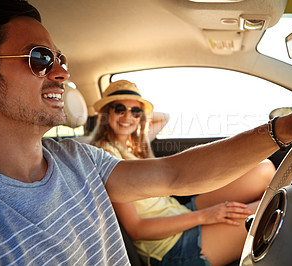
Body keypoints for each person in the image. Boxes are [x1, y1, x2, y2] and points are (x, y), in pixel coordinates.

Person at [0, 0, 292, 265]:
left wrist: (287, 127)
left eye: (60, 58)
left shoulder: (77, 157)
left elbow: (172, 175)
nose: (61, 72)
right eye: (40, 58)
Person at [90, 80, 275, 265]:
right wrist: (205, 216)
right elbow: (136, 229)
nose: (127, 117)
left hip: (180, 213)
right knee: (274, 209)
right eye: (119, 109)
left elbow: (164, 118)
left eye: (135, 111)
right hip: (171, 246)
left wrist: (138, 114)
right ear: (106, 112)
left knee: (265, 169)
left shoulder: (133, 145)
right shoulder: (105, 155)